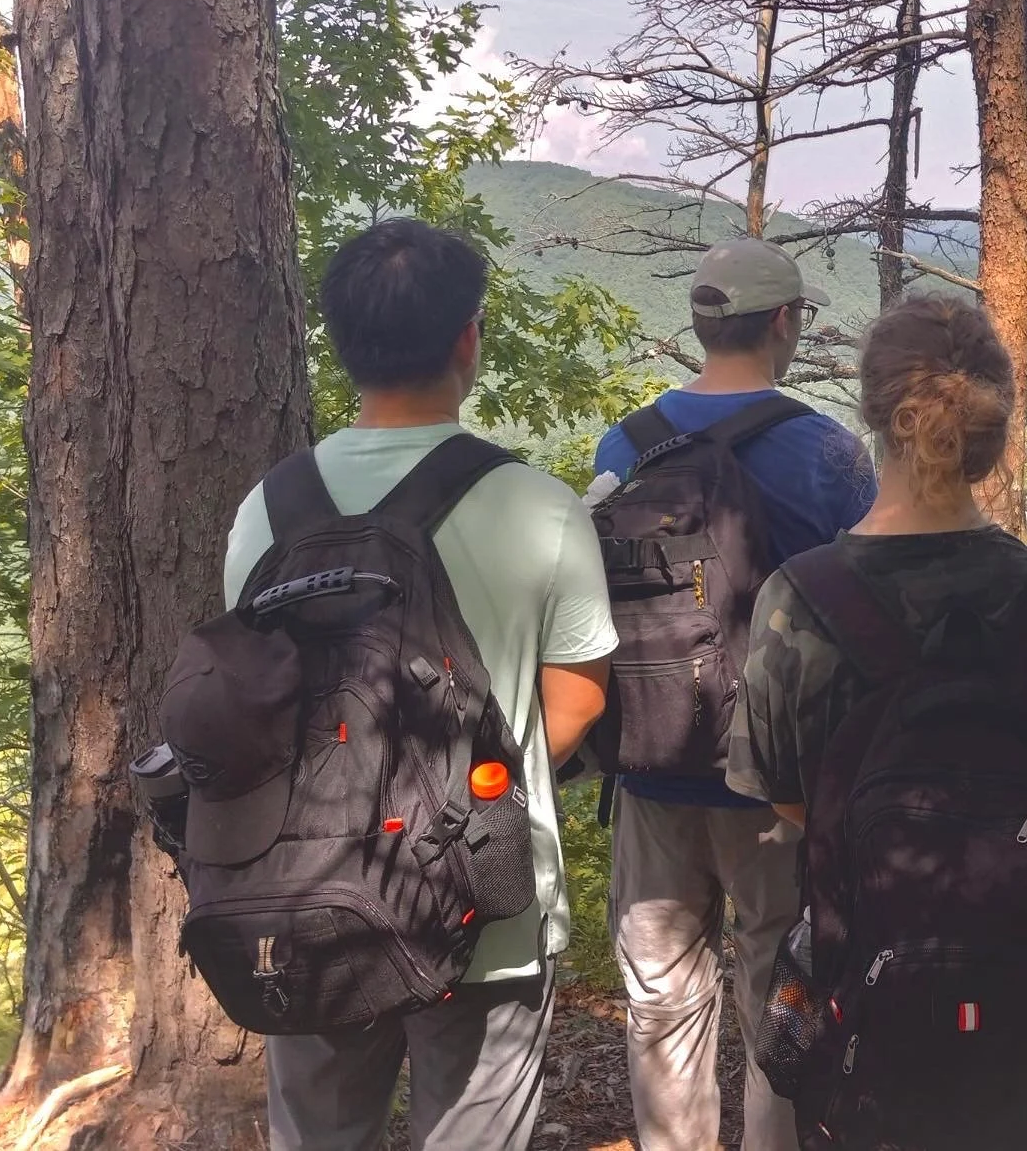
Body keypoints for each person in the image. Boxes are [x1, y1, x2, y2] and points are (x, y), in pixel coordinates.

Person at [223, 218, 617, 1151]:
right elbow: (577, 702)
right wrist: (453, 801)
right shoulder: (537, 506)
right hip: (486, 900)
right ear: (466, 337)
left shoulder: (265, 510)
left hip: (305, 891)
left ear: (341, 341)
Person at [726, 292, 1027, 1149]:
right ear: (993, 433)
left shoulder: (802, 600)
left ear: (872, 415)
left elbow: (789, 801)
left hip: (865, 1003)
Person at [593, 238, 877, 1151]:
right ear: (786, 321)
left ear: (701, 322)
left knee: (662, 996)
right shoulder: (828, 453)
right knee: (778, 989)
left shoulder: (626, 444)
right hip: (780, 780)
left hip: (647, 759)